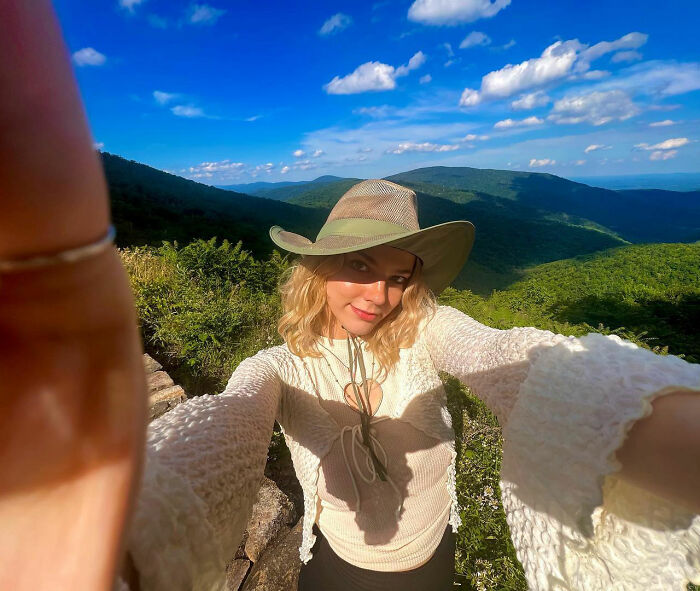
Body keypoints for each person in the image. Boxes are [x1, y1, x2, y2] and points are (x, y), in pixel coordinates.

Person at [1, 3, 699, 591]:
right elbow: (229, 426)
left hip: (433, 559)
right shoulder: (280, 366)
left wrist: (654, 429)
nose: (382, 292)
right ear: (318, 266)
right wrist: (124, 542)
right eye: (360, 265)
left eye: (399, 275)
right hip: (334, 564)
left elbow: (508, 359)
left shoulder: (427, 330)